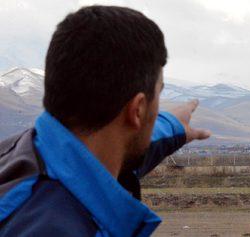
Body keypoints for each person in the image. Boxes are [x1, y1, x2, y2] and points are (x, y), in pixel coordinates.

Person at [0, 5, 210, 236]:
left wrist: (173, 125)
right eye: (159, 93)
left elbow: (123, 144)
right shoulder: (56, 228)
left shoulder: (24, 154)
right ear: (138, 110)